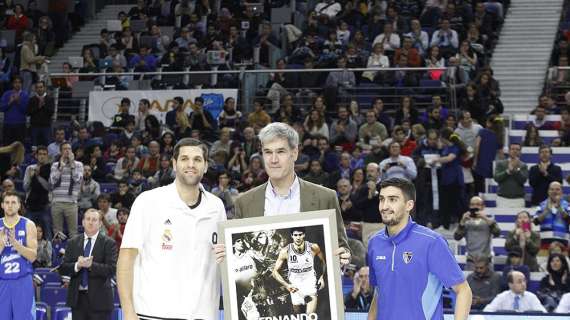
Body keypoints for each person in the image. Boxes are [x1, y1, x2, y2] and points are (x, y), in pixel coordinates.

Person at [117, 138, 226, 320]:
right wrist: (128, 312)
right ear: (174, 164)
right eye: (184, 159)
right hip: (154, 314)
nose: (191, 164)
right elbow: (126, 259)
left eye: (198, 160)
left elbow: (222, 260)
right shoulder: (148, 201)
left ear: (206, 166)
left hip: (203, 314)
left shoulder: (216, 207)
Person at [215, 122, 351, 264]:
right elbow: (240, 253)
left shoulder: (326, 197)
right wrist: (226, 254)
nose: (273, 160)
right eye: (268, 152)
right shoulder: (245, 202)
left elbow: (341, 247)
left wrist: (343, 256)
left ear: (295, 153)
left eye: (280, 152)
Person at [367, 178, 472, 320]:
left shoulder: (431, 242)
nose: (384, 206)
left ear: (409, 205)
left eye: (392, 200)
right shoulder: (374, 243)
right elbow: (379, 292)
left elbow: (463, 290)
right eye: (381, 199)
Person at [59, 208, 117, 319]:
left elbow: (112, 269)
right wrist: (77, 265)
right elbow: (63, 268)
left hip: (101, 302)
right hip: (78, 301)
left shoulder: (109, 243)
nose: (90, 222)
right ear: (83, 222)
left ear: (100, 224)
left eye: (94, 220)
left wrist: (91, 265)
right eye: (88, 219)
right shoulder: (73, 242)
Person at [0, 191, 38, 320]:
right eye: (7, 202)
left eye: (13, 202)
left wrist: (16, 245)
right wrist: (1, 245)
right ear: (2, 205)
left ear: (19, 205)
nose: (10, 205)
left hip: (22, 281)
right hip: (2, 281)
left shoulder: (28, 224)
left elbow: (33, 257)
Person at [272, 227, 326, 315]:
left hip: (310, 285)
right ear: (292, 236)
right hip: (295, 288)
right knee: (298, 316)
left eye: (300, 235)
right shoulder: (285, 251)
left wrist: (322, 277)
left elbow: (323, 262)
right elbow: (274, 272)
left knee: (310, 317)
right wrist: (287, 285)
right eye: (295, 235)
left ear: (304, 235)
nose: (298, 237)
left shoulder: (313, 247)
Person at [454, 196, 501, 270]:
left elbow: (497, 233)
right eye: (472, 204)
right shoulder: (465, 222)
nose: (475, 206)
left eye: (478, 204)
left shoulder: (489, 221)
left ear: (483, 207)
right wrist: (462, 222)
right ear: (469, 206)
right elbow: (457, 237)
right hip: (471, 261)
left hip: (486, 261)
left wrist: (486, 218)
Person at [49, 141, 84, 237]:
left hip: (71, 203)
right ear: (60, 152)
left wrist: (72, 165)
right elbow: (52, 181)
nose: (67, 151)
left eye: (69, 149)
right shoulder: (55, 165)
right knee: (57, 233)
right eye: (65, 149)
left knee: (73, 233)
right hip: (57, 202)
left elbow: (77, 180)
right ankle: (58, 251)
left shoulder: (79, 165)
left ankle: (73, 252)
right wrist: (61, 167)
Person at [493, 143, 528, 207]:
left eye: (517, 149)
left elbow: (523, 180)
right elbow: (496, 178)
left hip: (518, 199)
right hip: (502, 198)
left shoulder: (523, 165)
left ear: (520, 152)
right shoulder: (501, 163)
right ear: (509, 151)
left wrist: (516, 169)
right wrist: (508, 171)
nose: (515, 151)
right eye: (513, 149)